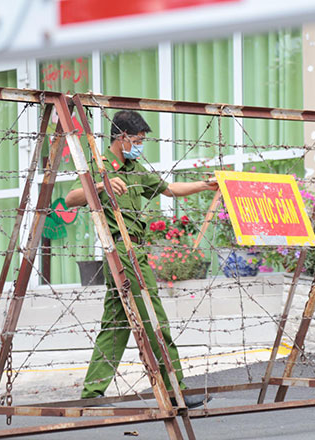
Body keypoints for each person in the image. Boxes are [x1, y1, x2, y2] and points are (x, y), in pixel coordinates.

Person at [65, 110, 217, 408]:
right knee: (153, 316)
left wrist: (205, 185)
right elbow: (71, 199)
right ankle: (176, 389)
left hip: (136, 250)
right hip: (122, 251)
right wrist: (101, 186)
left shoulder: (135, 168)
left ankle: (91, 395)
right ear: (121, 138)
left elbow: (170, 189)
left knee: (116, 324)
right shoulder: (101, 166)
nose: (140, 145)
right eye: (137, 139)